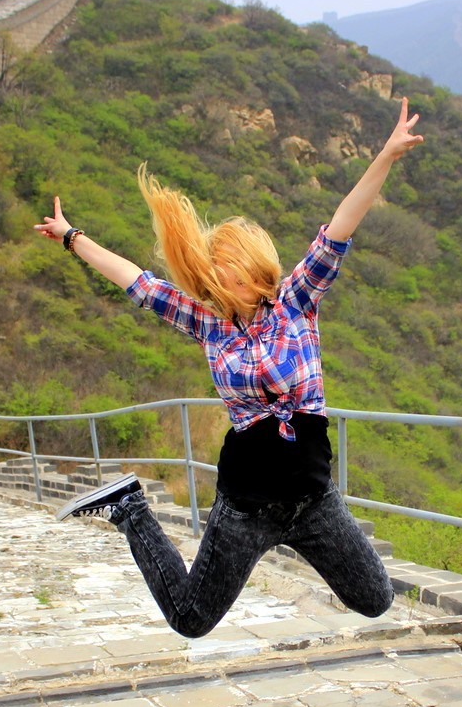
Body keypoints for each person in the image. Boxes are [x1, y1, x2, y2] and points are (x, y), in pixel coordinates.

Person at [35, 97, 425, 638]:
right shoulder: (207, 322)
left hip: (314, 500)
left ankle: (137, 510)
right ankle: (129, 508)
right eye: (221, 274)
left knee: (376, 599)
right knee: (191, 620)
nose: (231, 283)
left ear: (256, 266)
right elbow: (139, 283)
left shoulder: (298, 300)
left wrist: (385, 154)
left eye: (237, 271)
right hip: (247, 507)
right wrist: (72, 238)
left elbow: (340, 225)